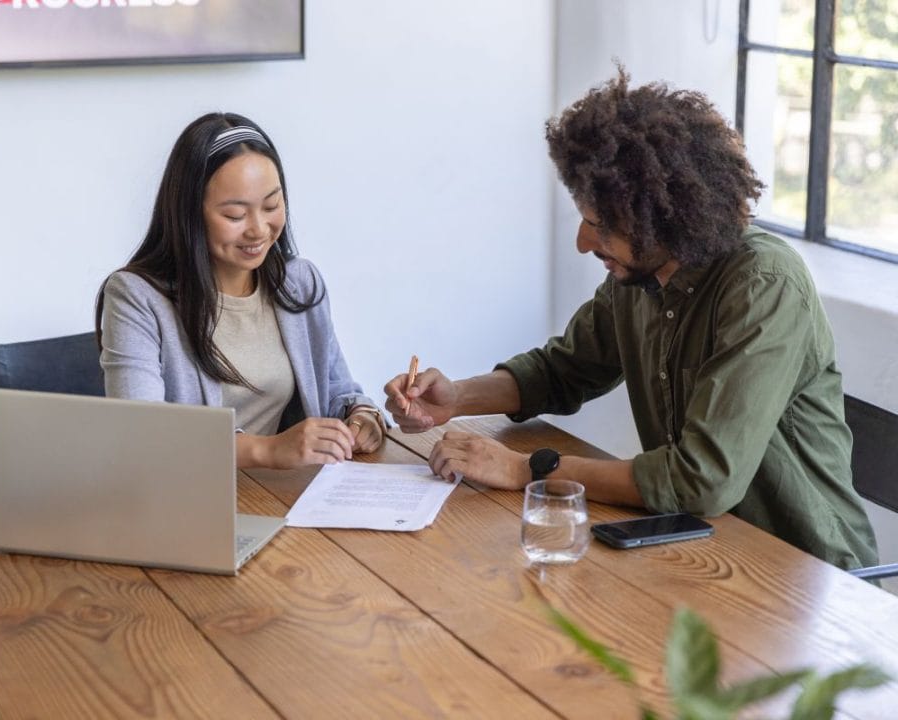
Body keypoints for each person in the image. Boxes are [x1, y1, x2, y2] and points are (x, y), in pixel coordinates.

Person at [384, 69, 877, 570]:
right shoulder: (640, 280)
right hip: (701, 553)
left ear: (664, 217)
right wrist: (457, 398)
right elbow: (562, 370)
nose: (582, 242)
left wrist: (531, 471)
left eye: (599, 225)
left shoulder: (763, 285)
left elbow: (700, 480)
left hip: (810, 577)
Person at [97, 112, 384, 470]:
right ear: (189, 214)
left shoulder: (299, 282)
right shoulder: (136, 297)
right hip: (188, 500)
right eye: (235, 215)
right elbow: (141, 435)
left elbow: (339, 393)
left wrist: (363, 417)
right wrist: (267, 450)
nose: (259, 230)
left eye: (271, 205)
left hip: (286, 497)